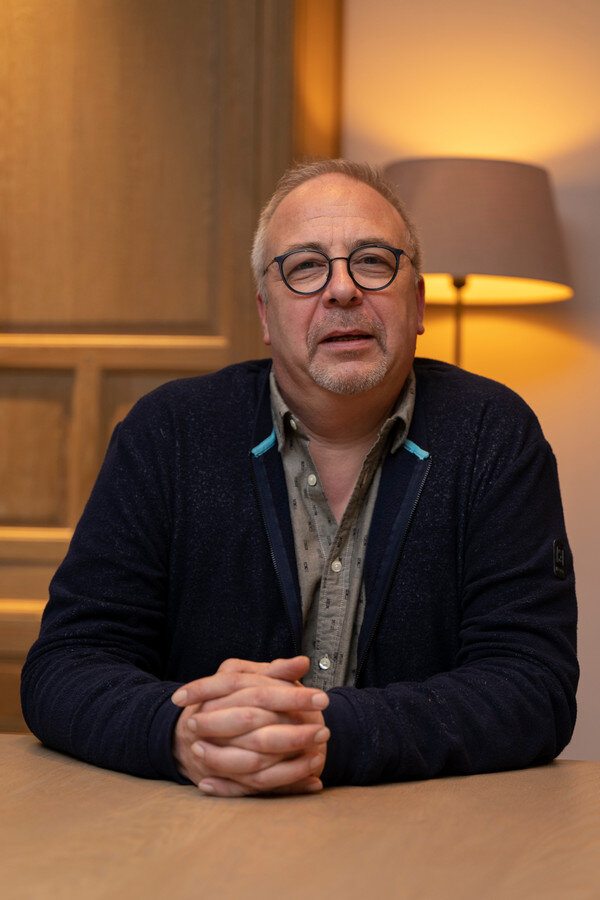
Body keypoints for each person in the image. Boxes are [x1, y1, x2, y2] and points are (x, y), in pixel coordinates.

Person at [21, 159, 578, 797]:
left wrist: (321, 735)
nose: (342, 290)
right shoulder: (167, 432)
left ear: (419, 303)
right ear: (265, 314)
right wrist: (182, 734)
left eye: (373, 261)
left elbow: (532, 686)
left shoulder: (493, 435)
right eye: (306, 267)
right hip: (195, 829)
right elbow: (65, 664)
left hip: (423, 833)